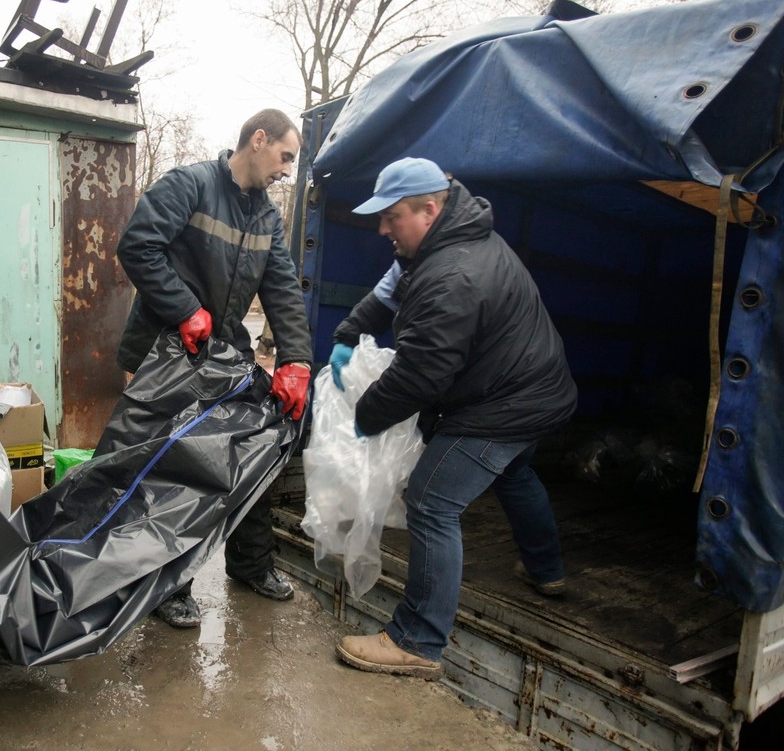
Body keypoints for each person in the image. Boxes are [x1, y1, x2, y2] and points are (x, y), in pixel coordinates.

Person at [329, 157, 577, 680]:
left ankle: (417, 639)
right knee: (515, 473)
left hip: (504, 404)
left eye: (390, 217)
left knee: (430, 500)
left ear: (429, 208)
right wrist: (348, 334)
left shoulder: (451, 275)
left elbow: (420, 378)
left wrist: (364, 417)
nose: (381, 228)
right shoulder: (446, 239)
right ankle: (547, 572)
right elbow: (389, 288)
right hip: (536, 389)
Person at [114, 108, 314, 628]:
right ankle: (167, 585)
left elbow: (284, 292)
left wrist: (295, 360)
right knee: (169, 472)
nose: (287, 169)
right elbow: (137, 246)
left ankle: (249, 565)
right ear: (259, 139)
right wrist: (184, 307)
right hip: (164, 353)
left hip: (223, 353)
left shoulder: (268, 217)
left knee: (249, 454)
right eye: (285, 157)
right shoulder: (191, 184)